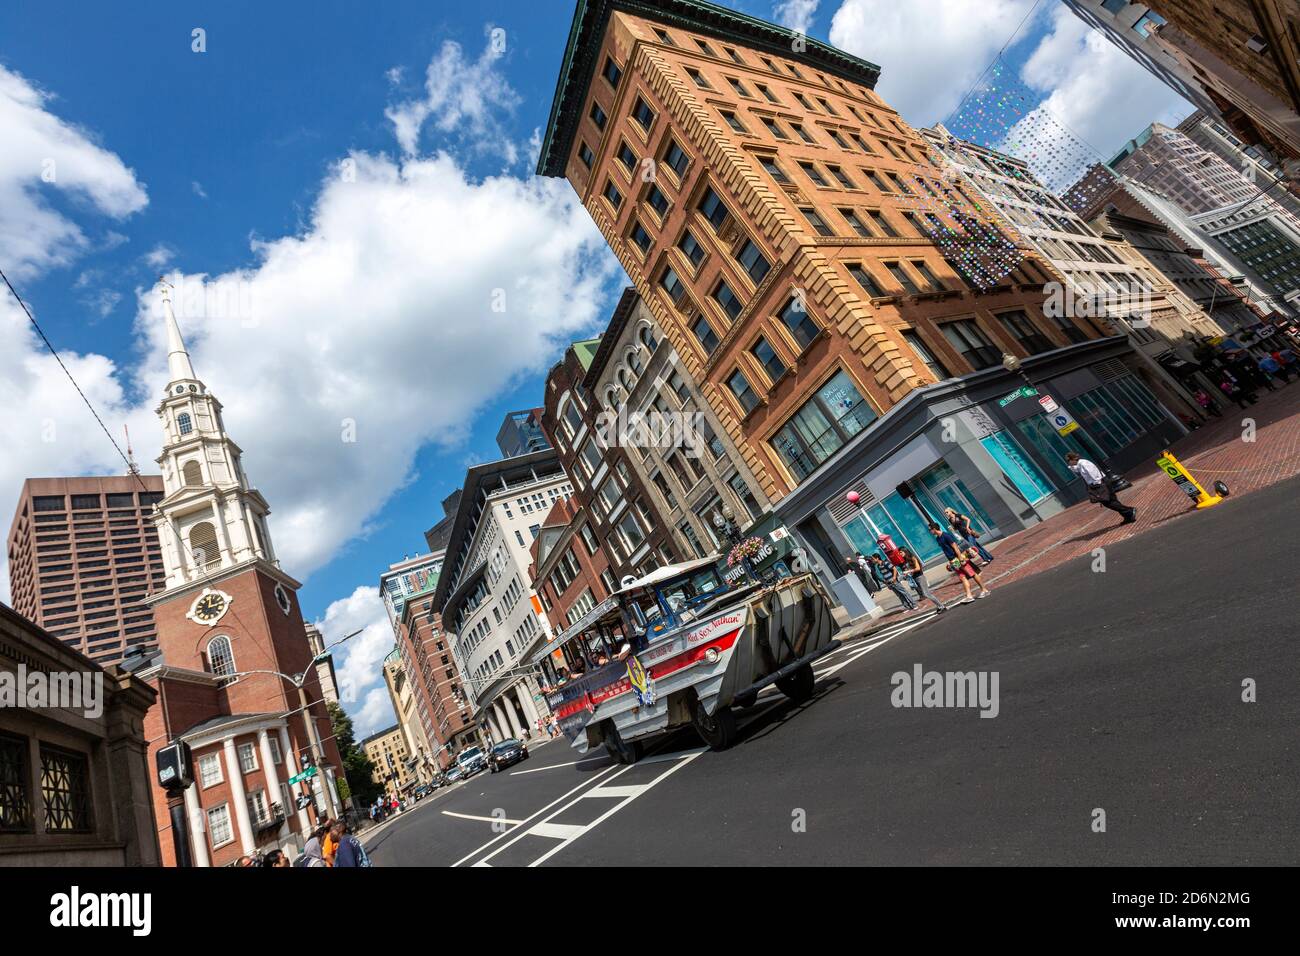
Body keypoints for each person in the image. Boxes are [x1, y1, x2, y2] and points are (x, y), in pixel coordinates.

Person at [1066, 452, 1136, 524]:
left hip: (1101, 483)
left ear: (1073, 459)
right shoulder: (1080, 465)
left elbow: (1094, 474)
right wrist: (1070, 466)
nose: (1069, 463)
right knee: (1112, 500)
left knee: (1106, 502)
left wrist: (1097, 486)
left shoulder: (1084, 463)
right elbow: (1076, 469)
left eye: (1069, 461)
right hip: (1101, 482)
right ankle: (1128, 516)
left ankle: (1129, 511)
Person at [899, 547, 945, 613]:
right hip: (915, 579)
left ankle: (941, 606)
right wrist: (906, 575)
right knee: (925, 594)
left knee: (926, 594)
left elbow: (918, 568)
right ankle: (939, 606)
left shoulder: (913, 558)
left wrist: (908, 571)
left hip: (920, 577)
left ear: (905, 551)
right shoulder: (906, 560)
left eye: (901, 552)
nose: (900, 554)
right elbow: (911, 570)